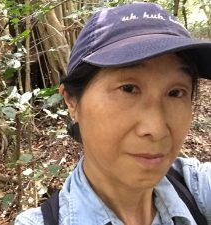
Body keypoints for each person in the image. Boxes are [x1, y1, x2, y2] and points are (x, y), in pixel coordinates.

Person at [15, 2, 211, 225]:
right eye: (128, 89)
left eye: (176, 92)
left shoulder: (197, 189)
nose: (156, 129)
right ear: (71, 101)